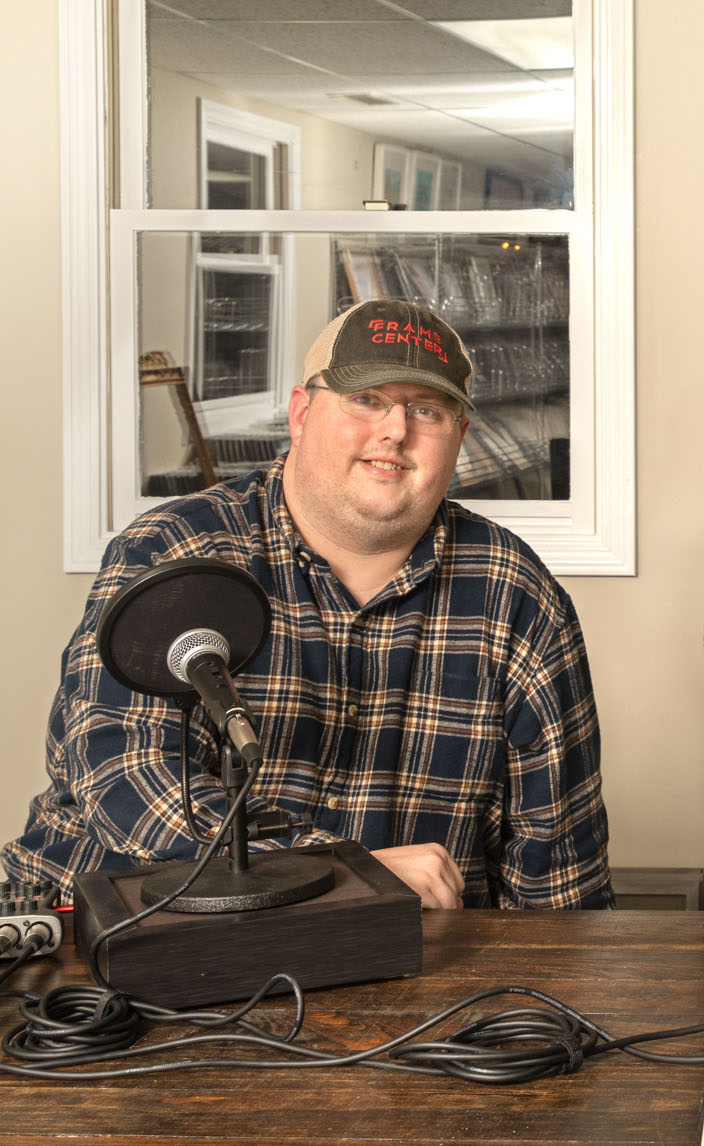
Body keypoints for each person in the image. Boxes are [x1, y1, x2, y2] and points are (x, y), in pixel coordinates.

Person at [4, 301, 613, 910]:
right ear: (301, 414)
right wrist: (350, 875)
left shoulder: (516, 594)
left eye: (426, 410)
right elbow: (129, 783)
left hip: (396, 953)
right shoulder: (177, 551)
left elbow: (559, 874)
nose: (395, 431)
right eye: (366, 399)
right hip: (113, 929)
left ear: (460, 438)